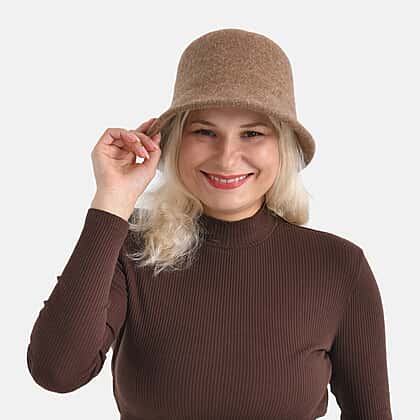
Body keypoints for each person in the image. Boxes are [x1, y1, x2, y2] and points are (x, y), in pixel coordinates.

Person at [26, 28, 393, 419]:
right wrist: (112, 200)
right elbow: (57, 371)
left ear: (282, 148)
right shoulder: (131, 247)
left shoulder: (339, 266)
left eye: (252, 133)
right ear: (173, 142)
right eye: (204, 132)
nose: (227, 157)